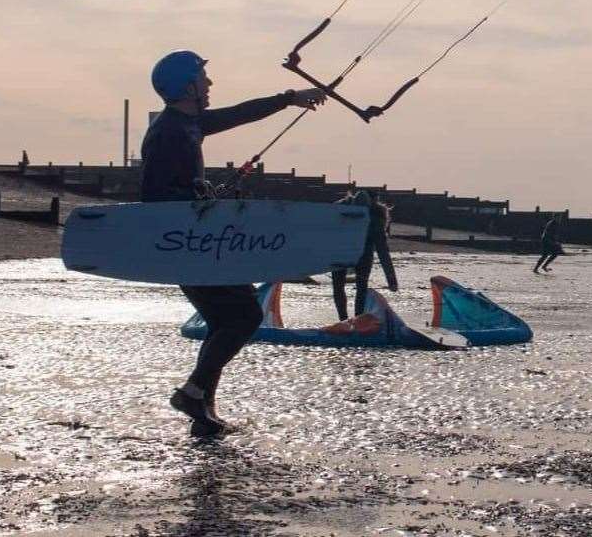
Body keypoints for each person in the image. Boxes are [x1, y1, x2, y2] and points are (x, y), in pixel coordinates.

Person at [140, 50, 326, 436]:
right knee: (244, 316)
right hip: (187, 246)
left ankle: (202, 408)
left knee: (225, 319)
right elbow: (153, 198)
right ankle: (195, 394)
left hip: (196, 244)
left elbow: (241, 112)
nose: (210, 84)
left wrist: (290, 97)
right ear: (187, 85)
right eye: (203, 79)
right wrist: (196, 199)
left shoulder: (188, 124)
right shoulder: (169, 132)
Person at [331, 189, 399, 321]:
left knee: (359, 287)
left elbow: (382, 250)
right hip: (342, 250)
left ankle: (357, 319)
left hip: (363, 253)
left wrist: (391, 280)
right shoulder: (341, 209)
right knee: (342, 286)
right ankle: (344, 320)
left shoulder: (376, 217)